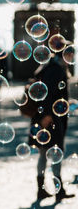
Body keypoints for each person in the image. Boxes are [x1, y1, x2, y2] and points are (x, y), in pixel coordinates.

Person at [28, 52, 75, 203]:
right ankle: (58, 190)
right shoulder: (56, 69)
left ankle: (42, 191)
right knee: (55, 154)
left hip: (45, 117)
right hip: (50, 118)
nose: (73, 57)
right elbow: (48, 93)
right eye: (71, 53)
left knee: (45, 154)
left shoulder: (50, 66)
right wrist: (47, 115)